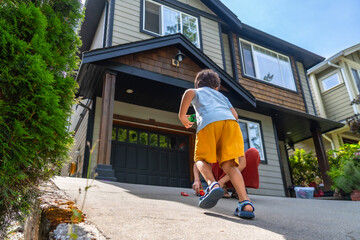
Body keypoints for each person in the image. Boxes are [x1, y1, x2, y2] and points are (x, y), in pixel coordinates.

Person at [178, 69, 255, 219]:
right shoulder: (222, 96)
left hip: (208, 125)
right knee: (230, 165)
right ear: (216, 87)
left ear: (198, 84)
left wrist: (183, 118)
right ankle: (246, 203)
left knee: (200, 159)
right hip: (231, 125)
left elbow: (188, 94)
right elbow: (235, 115)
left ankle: (212, 184)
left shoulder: (195, 91)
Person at [192, 148, 261, 198]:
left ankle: (238, 188)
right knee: (217, 149)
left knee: (253, 152)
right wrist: (197, 180)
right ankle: (221, 187)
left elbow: (242, 164)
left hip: (236, 177)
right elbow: (198, 162)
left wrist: (222, 181)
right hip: (219, 177)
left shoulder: (235, 137)